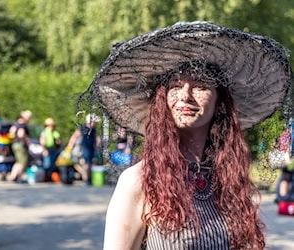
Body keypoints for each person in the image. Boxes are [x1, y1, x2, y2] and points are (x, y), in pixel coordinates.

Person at [78, 21, 293, 249]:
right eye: (175, 85)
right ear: (162, 99)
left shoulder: (227, 181)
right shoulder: (139, 182)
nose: (185, 96)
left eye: (200, 86)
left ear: (220, 101)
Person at [67, 113, 100, 185]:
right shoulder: (84, 128)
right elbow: (75, 136)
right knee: (86, 164)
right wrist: (70, 146)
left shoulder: (93, 129)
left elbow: (95, 139)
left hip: (91, 149)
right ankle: (86, 179)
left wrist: (96, 146)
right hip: (85, 148)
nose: (96, 123)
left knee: (90, 164)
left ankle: (88, 178)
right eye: (94, 121)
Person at [8, 110, 32, 182]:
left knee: (17, 161)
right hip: (21, 145)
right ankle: (19, 178)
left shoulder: (15, 124)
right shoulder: (23, 125)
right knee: (22, 162)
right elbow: (20, 134)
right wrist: (26, 139)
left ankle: (13, 176)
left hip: (14, 144)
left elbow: (11, 132)